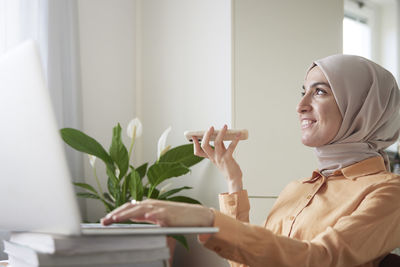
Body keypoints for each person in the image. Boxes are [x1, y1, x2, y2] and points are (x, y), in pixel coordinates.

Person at [101, 54, 400, 267]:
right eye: (303, 91)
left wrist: (206, 219)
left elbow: (318, 259)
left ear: (364, 108)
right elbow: (246, 262)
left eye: (319, 91)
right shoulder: (298, 188)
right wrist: (233, 179)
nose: (300, 105)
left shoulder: (388, 191)